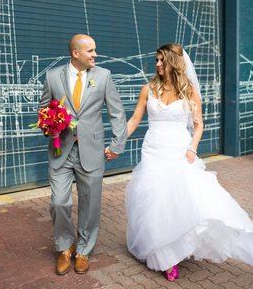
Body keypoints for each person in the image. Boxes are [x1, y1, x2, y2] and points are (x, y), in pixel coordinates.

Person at [126, 43, 253, 281]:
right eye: (157, 60)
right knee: (154, 199)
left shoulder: (189, 90)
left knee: (181, 197)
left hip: (180, 150)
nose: (158, 64)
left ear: (175, 62)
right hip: (153, 149)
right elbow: (134, 119)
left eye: (162, 60)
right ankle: (164, 256)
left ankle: (176, 244)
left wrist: (192, 149)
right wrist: (118, 140)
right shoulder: (148, 89)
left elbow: (198, 124)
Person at [40, 34, 127, 275]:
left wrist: (117, 145)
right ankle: (64, 247)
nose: (95, 55)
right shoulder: (52, 76)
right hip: (61, 151)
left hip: (92, 150)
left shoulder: (103, 76)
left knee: (90, 205)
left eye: (95, 50)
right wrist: (50, 124)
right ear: (75, 53)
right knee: (59, 202)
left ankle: (83, 251)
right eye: (90, 51)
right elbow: (44, 109)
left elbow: (117, 113)